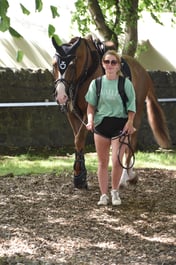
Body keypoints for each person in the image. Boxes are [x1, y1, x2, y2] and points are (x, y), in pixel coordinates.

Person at [85, 50, 136, 206]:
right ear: (103, 64)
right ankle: (103, 195)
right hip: (101, 126)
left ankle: (115, 193)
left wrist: (130, 122)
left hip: (120, 126)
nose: (110, 65)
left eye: (113, 62)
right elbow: (90, 106)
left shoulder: (125, 83)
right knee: (102, 162)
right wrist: (90, 120)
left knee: (116, 161)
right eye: (107, 62)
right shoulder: (96, 83)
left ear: (118, 66)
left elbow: (132, 106)